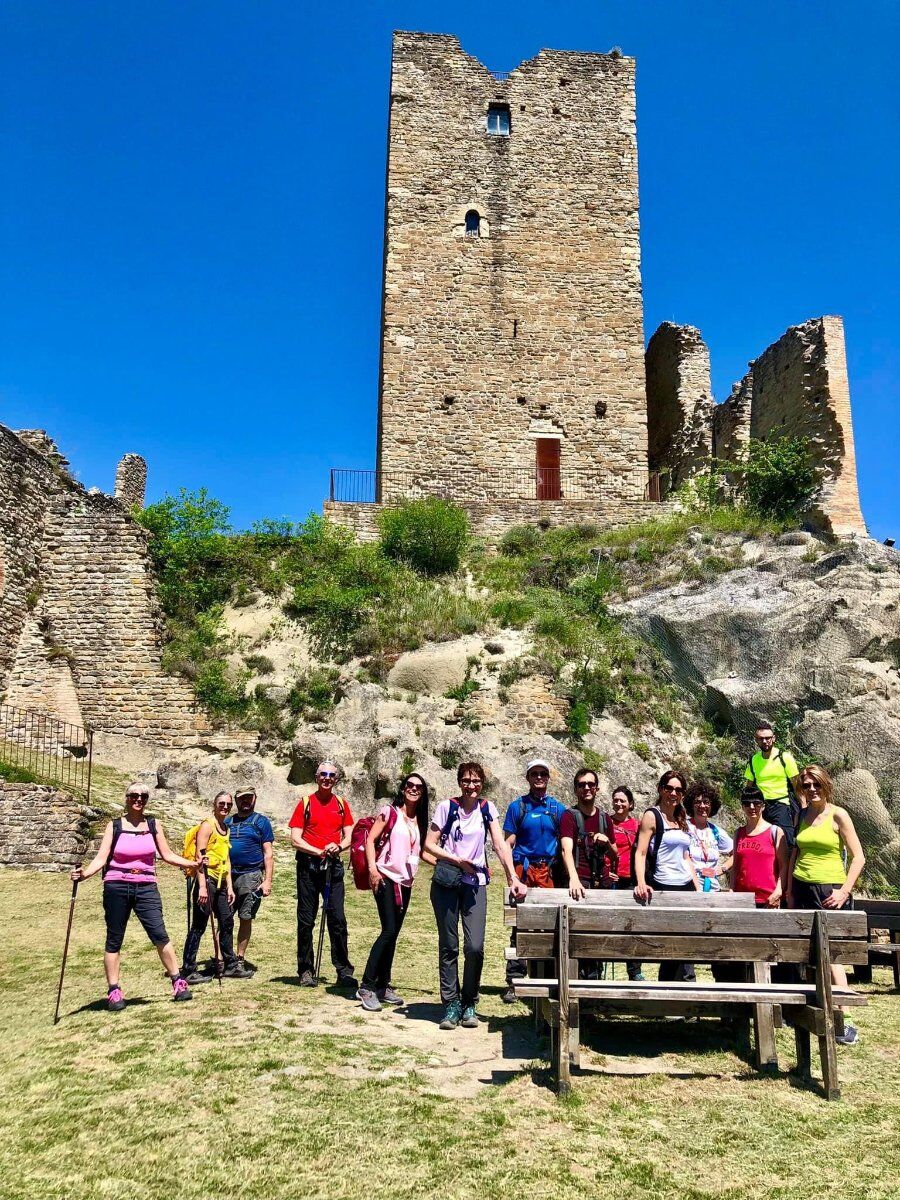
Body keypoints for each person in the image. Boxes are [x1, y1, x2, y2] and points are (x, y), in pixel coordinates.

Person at [70, 782, 198, 1011]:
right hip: (116, 886)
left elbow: (167, 854)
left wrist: (193, 863)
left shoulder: (153, 824)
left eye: (143, 796)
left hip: (146, 886)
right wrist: (84, 874)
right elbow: (101, 858)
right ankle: (114, 991)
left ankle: (178, 981)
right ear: (127, 798)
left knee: (160, 934)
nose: (139, 799)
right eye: (134, 796)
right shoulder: (115, 826)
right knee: (114, 938)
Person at [425, 762, 526, 1030]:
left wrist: (512, 877)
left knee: (475, 946)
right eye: (466, 780)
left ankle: (469, 1000)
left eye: (476, 781)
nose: (471, 785)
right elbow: (429, 844)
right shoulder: (447, 807)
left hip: (475, 884)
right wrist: (458, 860)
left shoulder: (486, 809)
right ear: (459, 782)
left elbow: (499, 844)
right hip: (447, 883)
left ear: (482, 783)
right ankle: (451, 1004)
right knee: (449, 945)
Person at [788, 764, 866, 1045]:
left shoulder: (838, 814)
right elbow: (795, 853)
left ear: (826, 785)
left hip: (829, 889)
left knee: (832, 956)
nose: (811, 790)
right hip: (801, 886)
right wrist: (789, 890)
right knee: (804, 951)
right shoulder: (802, 814)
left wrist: (844, 891)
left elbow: (858, 857)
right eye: (806, 785)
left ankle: (843, 1019)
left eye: (816, 784)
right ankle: (806, 1010)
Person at [358, 773, 433, 1012]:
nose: (413, 789)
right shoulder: (390, 812)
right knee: (388, 930)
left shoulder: (419, 820)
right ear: (402, 789)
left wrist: (450, 864)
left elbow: (422, 853)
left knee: (394, 933)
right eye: (409, 785)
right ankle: (367, 986)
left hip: (406, 882)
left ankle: (382, 985)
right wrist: (372, 870)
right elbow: (371, 840)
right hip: (385, 877)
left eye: (418, 787)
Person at [502, 758, 567, 1002]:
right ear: (528, 777)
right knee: (520, 926)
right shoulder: (517, 807)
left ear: (548, 778)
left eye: (543, 773)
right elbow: (508, 844)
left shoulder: (558, 809)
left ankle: (546, 980)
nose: (539, 777)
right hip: (525, 872)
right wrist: (511, 877)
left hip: (548, 872)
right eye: (534, 773)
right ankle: (515, 981)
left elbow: (565, 845)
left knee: (550, 927)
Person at [288, 761, 357, 989]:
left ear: (336, 779)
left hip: (333, 866)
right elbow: (295, 839)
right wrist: (318, 851)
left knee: (337, 919)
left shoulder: (341, 805)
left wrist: (338, 847)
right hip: (308, 866)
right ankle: (305, 969)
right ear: (317, 777)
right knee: (306, 919)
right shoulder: (305, 803)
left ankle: (343, 970)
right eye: (323, 774)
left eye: (332, 775)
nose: (327, 778)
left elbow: (349, 835)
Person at [633, 769, 701, 983]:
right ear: (661, 789)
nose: (674, 793)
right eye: (669, 788)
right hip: (664, 884)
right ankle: (671, 993)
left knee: (686, 941)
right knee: (669, 942)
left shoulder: (682, 818)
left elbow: (686, 856)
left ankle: (686, 990)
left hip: (685, 884)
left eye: (679, 790)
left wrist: (697, 885)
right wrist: (641, 883)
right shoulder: (652, 816)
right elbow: (641, 852)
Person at [182, 792, 249, 981]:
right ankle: (188, 969)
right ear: (214, 804)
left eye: (228, 804)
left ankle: (230, 965)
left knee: (227, 921)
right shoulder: (207, 826)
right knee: (199, 925)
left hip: (220, 882)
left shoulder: (225, 828)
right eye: (221, 803)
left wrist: (229, 887)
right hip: (208, 880)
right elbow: (199, 858)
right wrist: (202, 887)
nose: (225, 807)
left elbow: (225, 859)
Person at [225, 785, 274, 974]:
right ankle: (224, 958)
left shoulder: (261, 822)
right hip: (228, 875)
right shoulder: (228, 822)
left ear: (255, 798)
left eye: (249, 797)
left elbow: (268, 853)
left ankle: (239, 959)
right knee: (225, 918)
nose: (245, 801)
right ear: (236, 801)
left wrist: (267, 880)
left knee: (245, 917)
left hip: (251, 875)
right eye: (242, 798)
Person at [560, 768, 619, 900]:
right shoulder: (569, 817)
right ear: (576, 790)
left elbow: (614, 855)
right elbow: (566, 850)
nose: (587, 788)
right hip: (579, 883)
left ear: (596, 789)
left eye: (591, 784)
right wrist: (574, 879)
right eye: (581, 785)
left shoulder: (605, 818)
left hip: (602, 883)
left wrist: (607, 843)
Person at [744, 723, 801, 847]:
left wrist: (804, 808)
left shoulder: (784, 758)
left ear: (773, 738)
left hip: (781, 805)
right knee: (763, 842)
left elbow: (797, 785)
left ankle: (789, 866)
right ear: (756, 740)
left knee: (786, 842)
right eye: (761, 739)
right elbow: (749, 787)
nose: (765, 741)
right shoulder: (753, 760)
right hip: (761, 807)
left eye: (767, 738)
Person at [732, 785, 789, 908]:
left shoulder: (775, 832)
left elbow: (784, 866)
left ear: (763, 806)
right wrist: (731, 891)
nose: (752, 807)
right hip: (741, 899)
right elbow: (736, 866)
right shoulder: (739, 833)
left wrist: (778, 892)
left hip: (768, 899)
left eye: (756, 803)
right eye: (747, 804)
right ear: (742, 807)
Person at [609, 785, 644, 981]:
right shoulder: (606, 822)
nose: (619, 803)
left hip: (631, 880)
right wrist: (607, 872)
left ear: (630, 804)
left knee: (633, 925)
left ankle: (634, 971)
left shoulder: (638, 826)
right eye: (616, 800)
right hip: (613, 879)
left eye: (623, 800)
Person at [684, 780, 734, 892]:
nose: (702, 806)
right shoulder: (683, 827)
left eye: (706, 802)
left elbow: (737, 852)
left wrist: (723, 868)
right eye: (697, 802)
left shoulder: (716, 831)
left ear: (712, 805)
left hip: (713, 887)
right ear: (691, 805)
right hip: (690, 887)